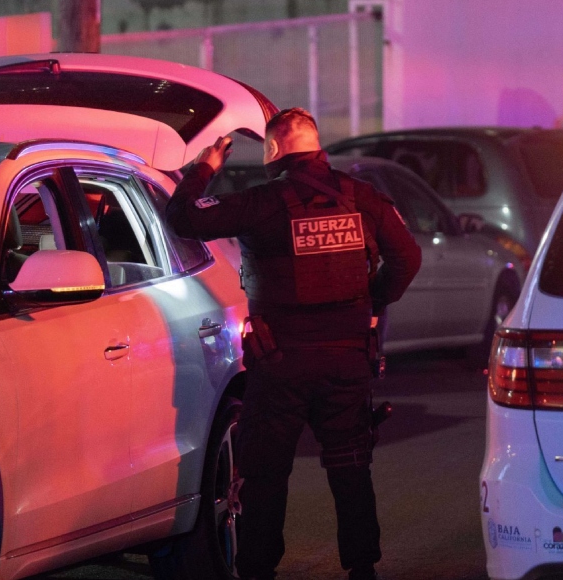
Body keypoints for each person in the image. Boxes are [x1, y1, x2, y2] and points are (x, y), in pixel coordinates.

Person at [165, 108, 421, 580]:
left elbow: (181, 217)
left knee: (265, 475)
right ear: (316, 146)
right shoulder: (363, 199)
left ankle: (259, 570)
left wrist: (205, 166)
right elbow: (407, 256)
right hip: (347, 358)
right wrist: (372, 301)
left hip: (280, 363)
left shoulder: (262, 203)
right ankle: (362, 568)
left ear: (275, 151)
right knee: (350, 467)